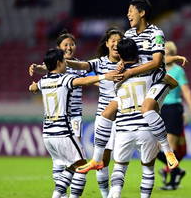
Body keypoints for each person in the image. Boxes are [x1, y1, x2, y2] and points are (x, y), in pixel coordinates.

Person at [76, 0, 189, 174]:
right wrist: (121, 65)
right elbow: (125, 57)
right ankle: (96, 160)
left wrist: (129, 72)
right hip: (135, 82)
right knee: (106, 113)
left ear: (142, 13)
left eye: (131, 10)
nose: (128, 14)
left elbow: (157, 61)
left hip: (155, 80)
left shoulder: (156, 33)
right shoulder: (128, 34)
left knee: (147, 109)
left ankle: (168, 151)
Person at [28, 48, 120, 198]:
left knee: (71, 166)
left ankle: (58, 195)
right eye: (64, 61)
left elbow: (33, 88)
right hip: (63, 132)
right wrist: (105, 77)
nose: (66, 64)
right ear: (58, 63)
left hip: (47, 135)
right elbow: (84, 81)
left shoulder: (43, 81)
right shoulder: (64, 79)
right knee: (82, 166)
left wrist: (31, 87)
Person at [65, 26, 124, 198]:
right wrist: (64, 60)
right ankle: (107, 195)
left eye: (119, 42)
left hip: (124, 117)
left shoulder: (129, 63)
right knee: (103, 162)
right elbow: (83, 65)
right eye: (113, 41)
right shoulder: (100, 63)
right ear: (107, 44)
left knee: (120, 159)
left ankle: (116, 191)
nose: (116, 44)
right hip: (104, 118)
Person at [29, 29, 88, 198]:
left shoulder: (79, 65)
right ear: (59, 48)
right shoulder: (56, 66)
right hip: (58, 117)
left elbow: (90, 77)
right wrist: (37, 68)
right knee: (69, 160)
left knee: (74, 156)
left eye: (72, 44)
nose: (69, 47)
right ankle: (61, 193)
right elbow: (44, 70)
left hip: (74, 115)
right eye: (65, 45)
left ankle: (61, 192)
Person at [107, 38, 159, 198]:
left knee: (119, 169)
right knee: (148, 169)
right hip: (146, 127)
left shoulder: (116, 78)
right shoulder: (150, 72)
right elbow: (168, 79)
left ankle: (114, 194)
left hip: (123, 129)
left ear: (120, 56)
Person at [157, 41, 191, 190]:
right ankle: (177, 171)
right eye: (164, 53)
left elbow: (186, 91)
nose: (166, 56)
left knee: (170, 148)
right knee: (155, 149)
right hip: (159, 109)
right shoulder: (157, 69)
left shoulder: (178, 71)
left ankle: (172, 182)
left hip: (173, 109)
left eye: (169, 54)